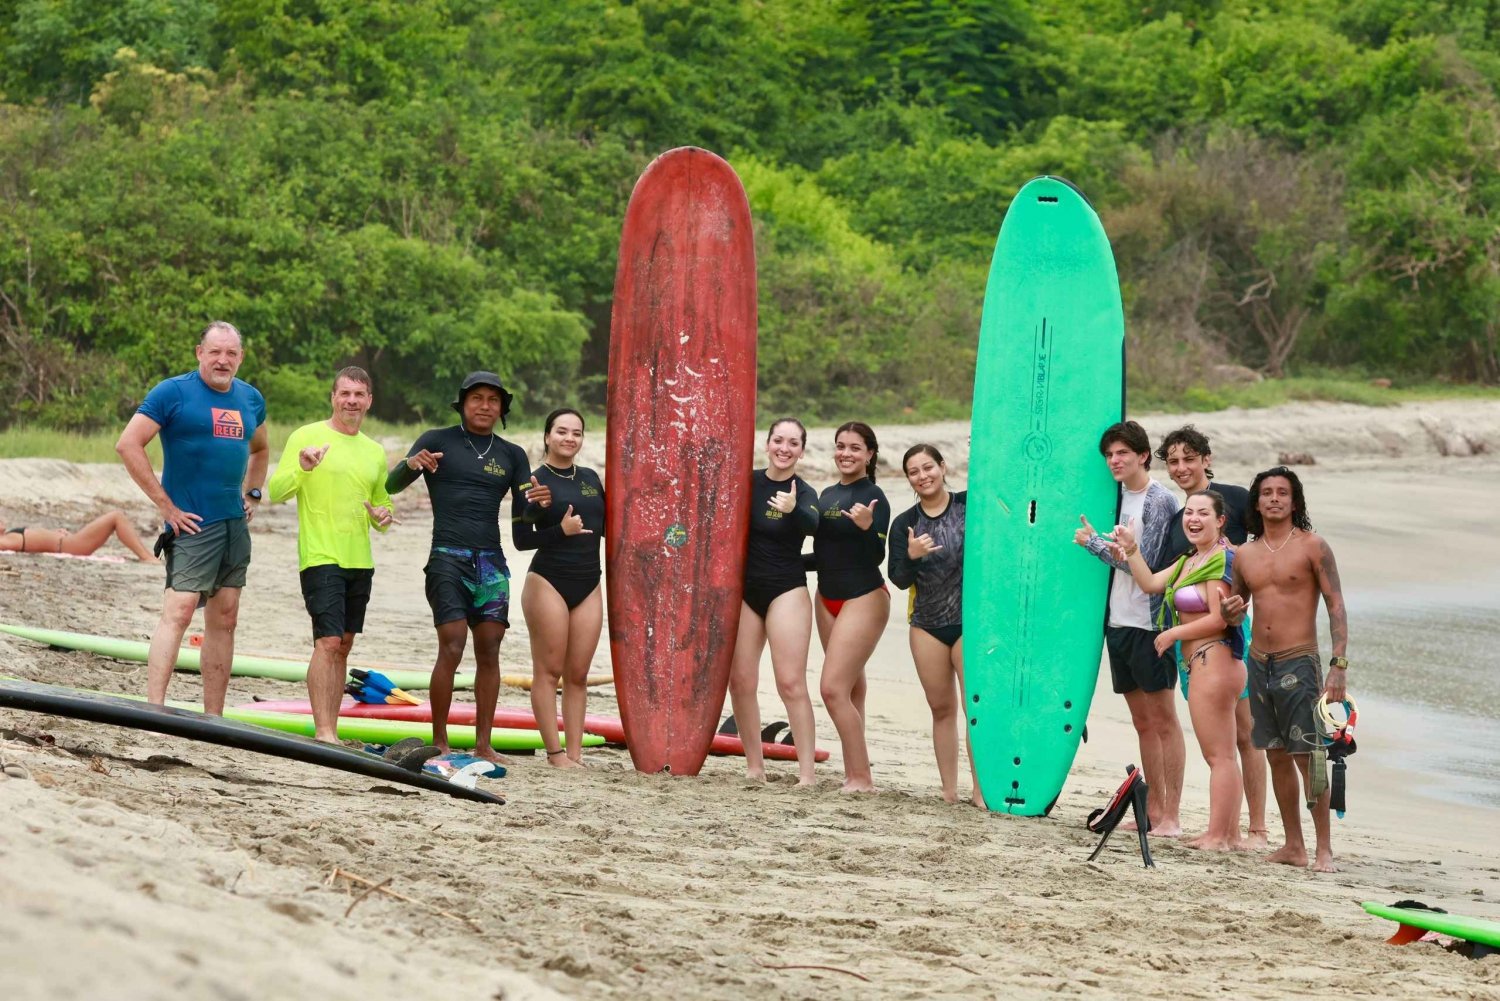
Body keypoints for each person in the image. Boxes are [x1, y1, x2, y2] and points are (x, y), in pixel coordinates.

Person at [386, 371, 549, 764]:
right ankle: (440, 740)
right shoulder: (436, 440)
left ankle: (484, 744)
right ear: (462, 403)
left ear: (502, 409)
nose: (485, 406)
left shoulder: (512, 455)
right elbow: (392, 486)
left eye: (493, 400)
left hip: (490, 562)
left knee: (490, 649)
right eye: (477, 398)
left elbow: (522, 515)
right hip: (447, 557)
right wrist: (412, 465)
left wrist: (538, 504)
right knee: (452, 643)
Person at [115, 321, 268, 713]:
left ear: (240, 357)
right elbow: (128, 444)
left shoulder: (251, 399)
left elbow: (261, 449)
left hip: (234, 523)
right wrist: (166, 506)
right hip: (192, 523)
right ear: (200, 353)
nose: (223, 360)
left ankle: (212, 716)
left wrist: (252, 492)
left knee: (226, 617)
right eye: (215, 351)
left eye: (231, 353)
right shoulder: (173, 392)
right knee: (179, 610)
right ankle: (155, 708)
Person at [1221, 467, 1350, 873]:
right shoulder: (1245, 554)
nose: (1274, 498)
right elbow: (1236, 606)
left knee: (1309, 756)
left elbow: (1336, 607)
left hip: (1301, 661)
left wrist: (1339, 666)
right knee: (1276, 754)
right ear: (1256, 502)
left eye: (1282, 493)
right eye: (1266, 493)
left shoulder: (1313, 547)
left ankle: (1323, 848)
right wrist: (1229, 611)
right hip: (1259, 663)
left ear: (1295, 502)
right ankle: (1293, 844)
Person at [266, 367, 395, 744]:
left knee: (345, 644)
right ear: (333, 398)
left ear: (369, 400)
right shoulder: (306, 437)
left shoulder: (374, 451)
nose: (351, 401)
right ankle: (323, 731)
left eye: (359, 394)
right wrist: (304, 469)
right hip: (320, 555)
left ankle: (332, 728)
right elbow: (276, 491)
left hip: (360, 560)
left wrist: (383, 517)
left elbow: (382, 510)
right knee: (327, 642)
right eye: (344, 394)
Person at [1155, 425, 1268, 848]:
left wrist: (1249, 591)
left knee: (1245, 735)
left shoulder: (1236, 499)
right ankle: (1232, 829)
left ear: (1206, 458)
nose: (1181, 467)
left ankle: (1254, 827)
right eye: (1174, 461)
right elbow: (1169, 580)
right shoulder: (1177, 522)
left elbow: (1270, 541)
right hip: (1198, 640)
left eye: (1189, 458)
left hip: (1232, 632)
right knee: (1223, 738)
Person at [1113, 490, 1245, 851]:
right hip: (1201, 663)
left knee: (1219, 756)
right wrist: (1132, 550)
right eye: (1189, 512)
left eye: (1203, 513)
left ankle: (1218, 835)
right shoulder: (1191, 559)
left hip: (1215, 660)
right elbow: (1151, 583)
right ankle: (1227, 833)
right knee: (1222, 754)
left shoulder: (1219, 560)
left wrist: (1173, 633)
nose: (1193, 519)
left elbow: (1220, 618)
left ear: (1220, 521)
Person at [1073, 420, 1184, 836]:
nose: (1114, 461)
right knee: (1142, 723)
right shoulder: (1113, 498)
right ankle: (1152, 810)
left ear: (1143, 455)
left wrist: (1095, 545)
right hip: (1118, 623)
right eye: (1109, 455)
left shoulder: (1159, 501)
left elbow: (1147, 567)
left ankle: (1171, 813)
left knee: (1164, 720)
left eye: (1122, 453)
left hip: (1150, 624)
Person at [887, 444, 983, 808]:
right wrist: (911, 557)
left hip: (967, 624)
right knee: (941, 709)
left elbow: (1000, 493)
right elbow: (896, 578)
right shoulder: (904, 524)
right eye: (914, 471)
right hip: (926, 624)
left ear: (943, 468)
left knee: (973, 708)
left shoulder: (968, 506)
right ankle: (948, 791)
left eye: (928, 467)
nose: (923, 476)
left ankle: (979, 790)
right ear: (908, 478)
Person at [726, 418, 821, 785]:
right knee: (741, 681)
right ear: (767, 444)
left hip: (787, 591)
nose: (784, 448)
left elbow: (813, 525)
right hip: (747, 592)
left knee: (791, 683)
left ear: (801, 450)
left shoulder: (805, 492)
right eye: (778, 440)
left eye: (793, 443)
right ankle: (754, 766)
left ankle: (807, 774)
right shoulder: (747, 483)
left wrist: (793, 508)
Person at [515, 408, 604, 768]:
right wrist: (560, 532)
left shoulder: (591, 478)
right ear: (547, 435)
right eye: (562, 431)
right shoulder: (531, 481)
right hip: (547, 582)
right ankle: (554, 754)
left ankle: (575, 755)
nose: (569, 438)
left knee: (578, 675)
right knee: (549, 672)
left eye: (576, 433)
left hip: (589, 582)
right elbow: (521, 540)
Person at [812, 421, 890, 793]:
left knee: (832, 689)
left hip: (863, 596)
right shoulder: (826, 495)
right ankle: (853, 772)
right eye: (841, 446)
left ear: (869, 454)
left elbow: (877, 555)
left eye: (855, 448)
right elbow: (826, 554)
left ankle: (862, 777)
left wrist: (865, 526)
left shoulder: (875, 496)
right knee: (851, 689)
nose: (846, 453)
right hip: (826, 598)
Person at [0, 510, 157, 562]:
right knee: (116, 517)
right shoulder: (6, 541)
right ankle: (146, 557)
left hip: (69, 541)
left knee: (116, 517)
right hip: (72, 546)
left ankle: (146, 556)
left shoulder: (8, 535)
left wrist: (54, 534)